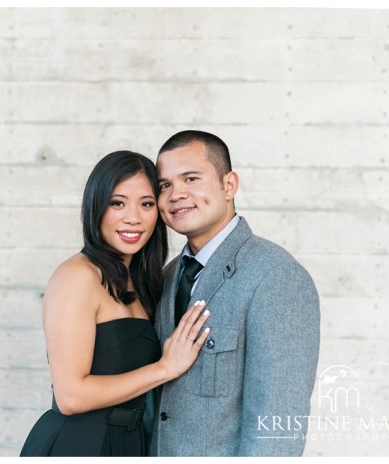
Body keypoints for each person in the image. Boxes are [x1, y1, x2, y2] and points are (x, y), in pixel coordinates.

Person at [20, 150, 211, 457]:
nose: (133, 217)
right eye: (117, 203)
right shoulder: (77, 276)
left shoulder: (142, 281)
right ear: (97, 206)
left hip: (129, 443)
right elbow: (71, 397)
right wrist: (165, 368)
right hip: (80, 444)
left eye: (146, 204)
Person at [148, 130, 320, 456]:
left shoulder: (276, 277)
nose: (175, 194)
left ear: (229, 185)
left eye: (191, 179)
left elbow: (278, 428)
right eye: (164, 185)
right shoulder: (168, 277)